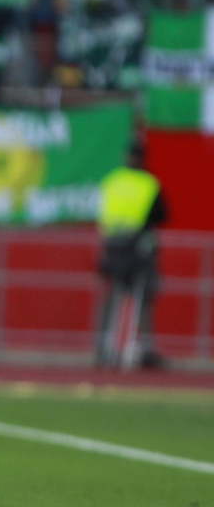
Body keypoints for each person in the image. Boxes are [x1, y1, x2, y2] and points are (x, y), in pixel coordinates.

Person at [94, 142, 166, 370]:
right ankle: (140, 349)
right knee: (142, 298)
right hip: (137, 249)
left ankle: (105, 349)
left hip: (113, 247)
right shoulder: (148, 184)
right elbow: (162, 214)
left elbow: (101, 213)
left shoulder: (111, 181)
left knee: (111, 298)